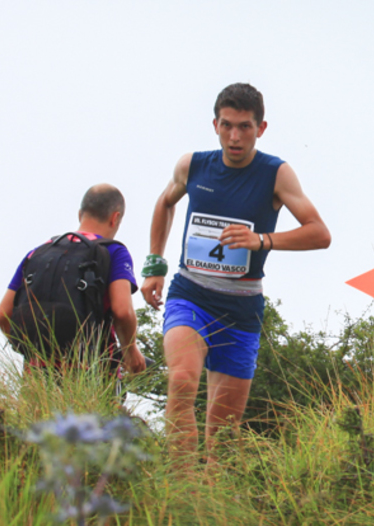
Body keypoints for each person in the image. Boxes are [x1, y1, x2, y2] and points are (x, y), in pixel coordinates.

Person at [141, 83, 331, 460]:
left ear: (261, 128)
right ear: (215, 124)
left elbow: (320, 233)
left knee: (223, 435)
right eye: (226, 125)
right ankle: (180, 486)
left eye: (245, 127)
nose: (234, 137)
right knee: (181, 380)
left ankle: (209, 494)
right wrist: (155, 264)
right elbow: (165, 202)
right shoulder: (192, 165)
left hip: (241, 310)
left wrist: (261, 240)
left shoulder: (276, 174)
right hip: (190, 296)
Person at [0, 184, 147, 375]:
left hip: (36, 373)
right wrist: (131, 352)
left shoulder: (37, 253)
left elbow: (3, 315)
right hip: (91, 372)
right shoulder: (114, 251)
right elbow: (122, 312)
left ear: (80, 214)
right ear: (115, 218)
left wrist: (31, 351)